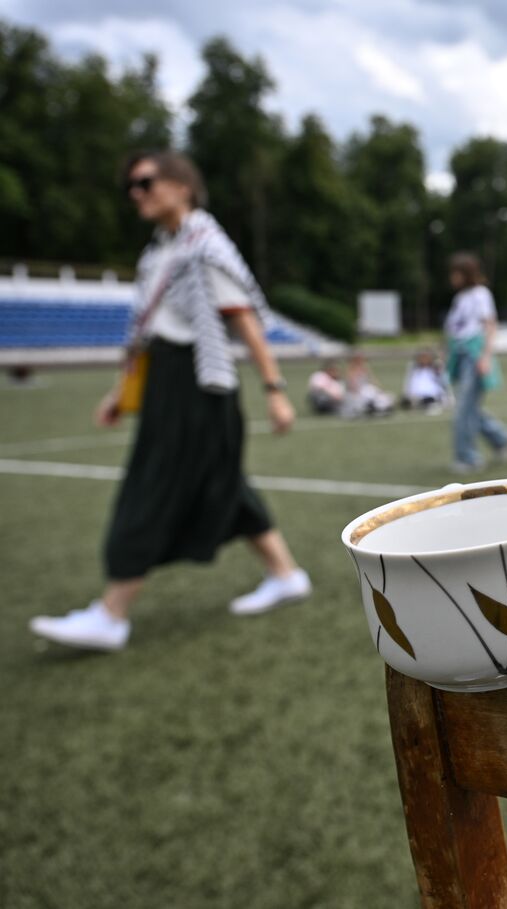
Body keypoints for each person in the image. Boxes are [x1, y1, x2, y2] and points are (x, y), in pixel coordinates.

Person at [28, 150, 311, 652]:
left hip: (198, 386)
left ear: (182, 186)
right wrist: (121, 391)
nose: (136, 193)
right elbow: (147, 332)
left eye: (145, 182)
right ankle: (286, 575)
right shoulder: (158, 252)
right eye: (131, 187)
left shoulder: (204, 245)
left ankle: (112, 614)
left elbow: (243, 320)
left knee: (154, 484)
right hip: (165, 378)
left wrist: (275, 390)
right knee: (222, 482)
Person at [444, 252, 507, 472]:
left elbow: (490, 326)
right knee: (469, 407)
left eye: (455, 273)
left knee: (464, 409)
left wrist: (485, 357)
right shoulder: (460, 298)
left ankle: (468, 458)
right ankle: (500, 438)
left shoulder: (480, 294)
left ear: (465, 273)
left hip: (474, 356)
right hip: (460, 355)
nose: (451, 277)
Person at [344, 350, 394, 417]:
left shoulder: (365, 368)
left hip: (366, 389)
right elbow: (352, 385)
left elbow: (372, 379)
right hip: (359, 392)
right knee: (367, 397)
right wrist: (356, 392)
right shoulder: (351, 370)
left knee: (381, 396)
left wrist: (380, 389)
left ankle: (380, 409)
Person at [401, 347, 450, 413]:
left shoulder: (435, 368)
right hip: (417, 396)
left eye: (426, 357)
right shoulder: (414, 369)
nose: (424, 359)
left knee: (429, 400)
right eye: (422, 357)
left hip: (431, 396)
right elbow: (409, 384)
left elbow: (444, 384)